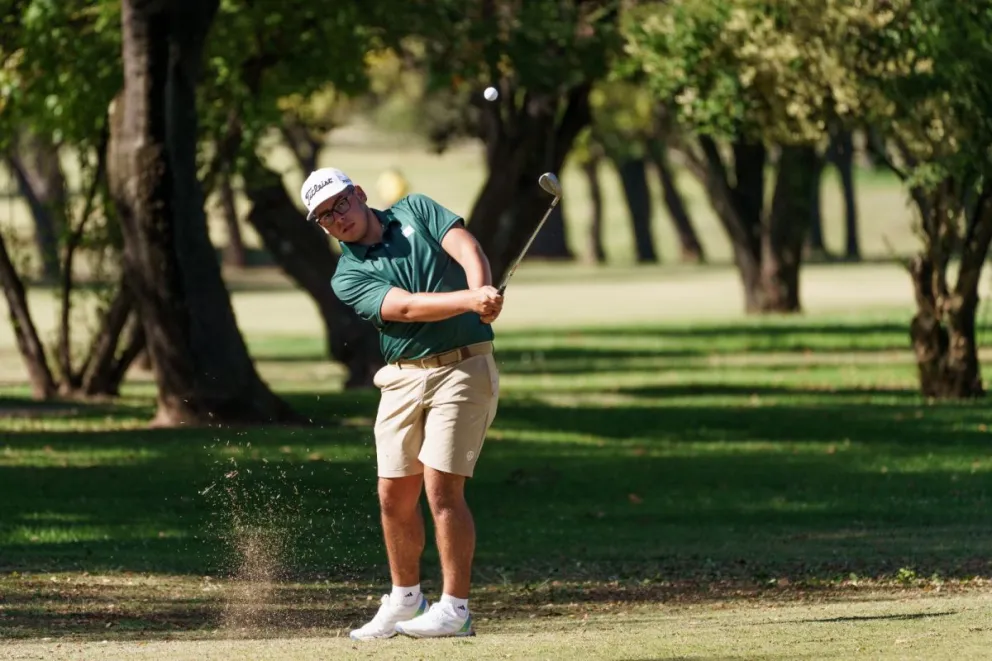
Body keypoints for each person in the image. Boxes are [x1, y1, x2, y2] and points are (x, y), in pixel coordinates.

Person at [299, 167, 503, 640]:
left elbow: (466, 247)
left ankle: (455, 609)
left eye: (340, 205)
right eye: (324, 217)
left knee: (441, 490)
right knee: (393, 496)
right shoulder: (347, 275)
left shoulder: (417, 209)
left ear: (359, 194)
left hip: (462, 368)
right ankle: (407, 599)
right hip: (402, 380)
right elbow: (406, 307)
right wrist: (472, 299)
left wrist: (484, 291)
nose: (337, 219)